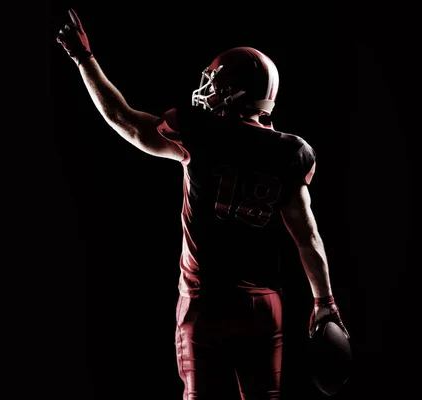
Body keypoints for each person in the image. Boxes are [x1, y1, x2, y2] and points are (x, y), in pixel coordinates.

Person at [56, 8, 350, 400]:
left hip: (204, 303)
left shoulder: (198, 132)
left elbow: (122, 118)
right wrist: (325, 302)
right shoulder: (289, 153)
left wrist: (84, 60)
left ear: (234, 92)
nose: (206, 89)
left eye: (215, 83)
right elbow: (307, 238)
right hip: (261, 307)